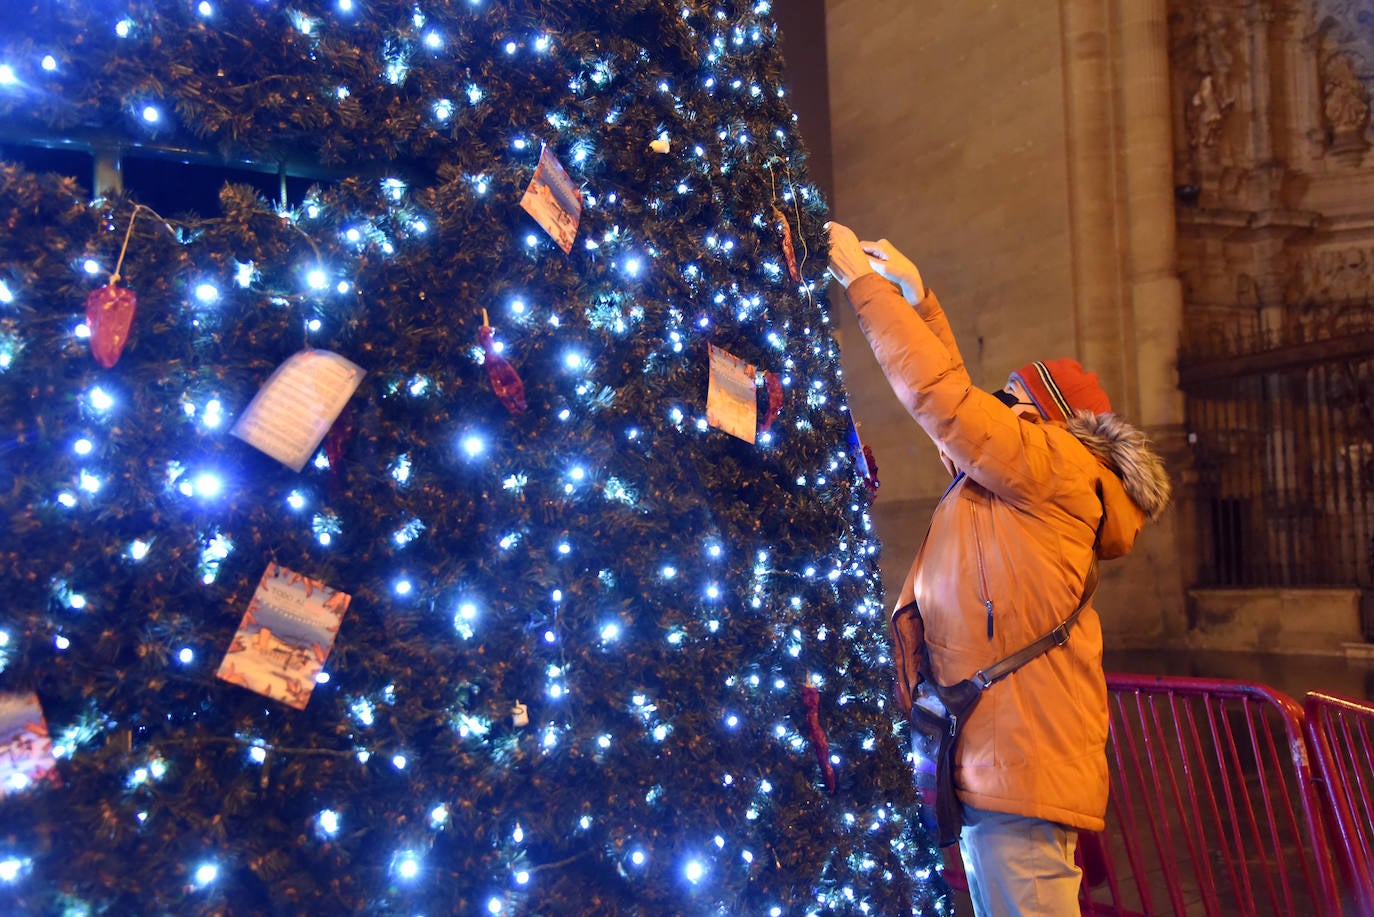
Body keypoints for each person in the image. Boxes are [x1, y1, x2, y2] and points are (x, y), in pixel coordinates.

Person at [826, 221, 1171, 916]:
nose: (1001, 409)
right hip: (997, 753)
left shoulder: (1056, 466)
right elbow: (960, 422)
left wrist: (864, 288)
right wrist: (919, 300)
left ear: (1049, 419)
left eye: (1014, 401)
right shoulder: (1021, 478)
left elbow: (948, 406)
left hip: (1020, 758)